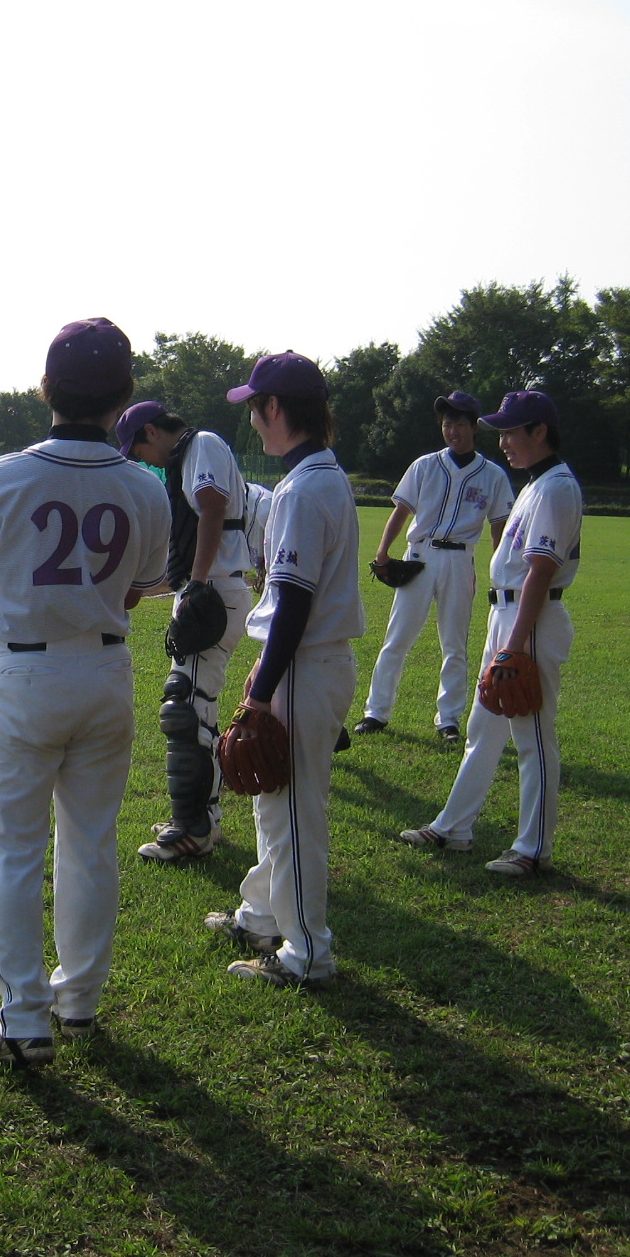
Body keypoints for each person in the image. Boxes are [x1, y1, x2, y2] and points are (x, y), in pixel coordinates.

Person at [0, 319, 170, 1067]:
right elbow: (140, 590)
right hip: (106, 671)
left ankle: (25, 1020)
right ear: (123, 396)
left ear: (47, 388)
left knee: (12, 848)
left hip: (25, 672)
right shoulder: (146, 485)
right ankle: (78, 998)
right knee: (90, 840)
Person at [203, 352, 364, 986]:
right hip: (310, 662)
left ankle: (307, 953)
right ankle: (263, 913)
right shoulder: (323, 476)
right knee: (278, 804)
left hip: (302, 664)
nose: (253, 421)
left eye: (255, 408)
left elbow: (292, 599)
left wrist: (259, 694)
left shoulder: (304, 487)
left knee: (293, 813)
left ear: (276, 409)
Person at [398, 390, 582, 876]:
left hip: (531, 619)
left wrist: (515, 647)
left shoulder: (558, 487)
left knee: (533, 737)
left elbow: (541, 569)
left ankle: (533, 849)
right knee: (482, 728)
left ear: (539, 431)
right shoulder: (535, 484)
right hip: (510, 615)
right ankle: (454, 826)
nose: (502, 441)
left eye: (510, 431)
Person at [113, 399, 254, 861]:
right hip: (210, 586)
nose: (142, 461)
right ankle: (201, 817)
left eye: (138, 449)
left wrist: (195, 583)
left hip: (213, 589)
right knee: (196, 709)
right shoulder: (189, 455)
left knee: (187, 711)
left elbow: (212, 508)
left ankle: (194, 830)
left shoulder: (201, 444)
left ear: (152, 432)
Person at [355, 391, 513, 742]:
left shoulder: (493, 475)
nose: (452, 431)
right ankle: (376, 712)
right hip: (420, 555)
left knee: (454, 643)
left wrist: (500, 572)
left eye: (459, 424)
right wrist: (382, 552)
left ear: (474, 427)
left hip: (460, 559)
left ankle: (449, 719)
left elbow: (498, 526)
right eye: (446, 424)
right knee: (397, 638)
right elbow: (402, 510)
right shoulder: (425, 465)